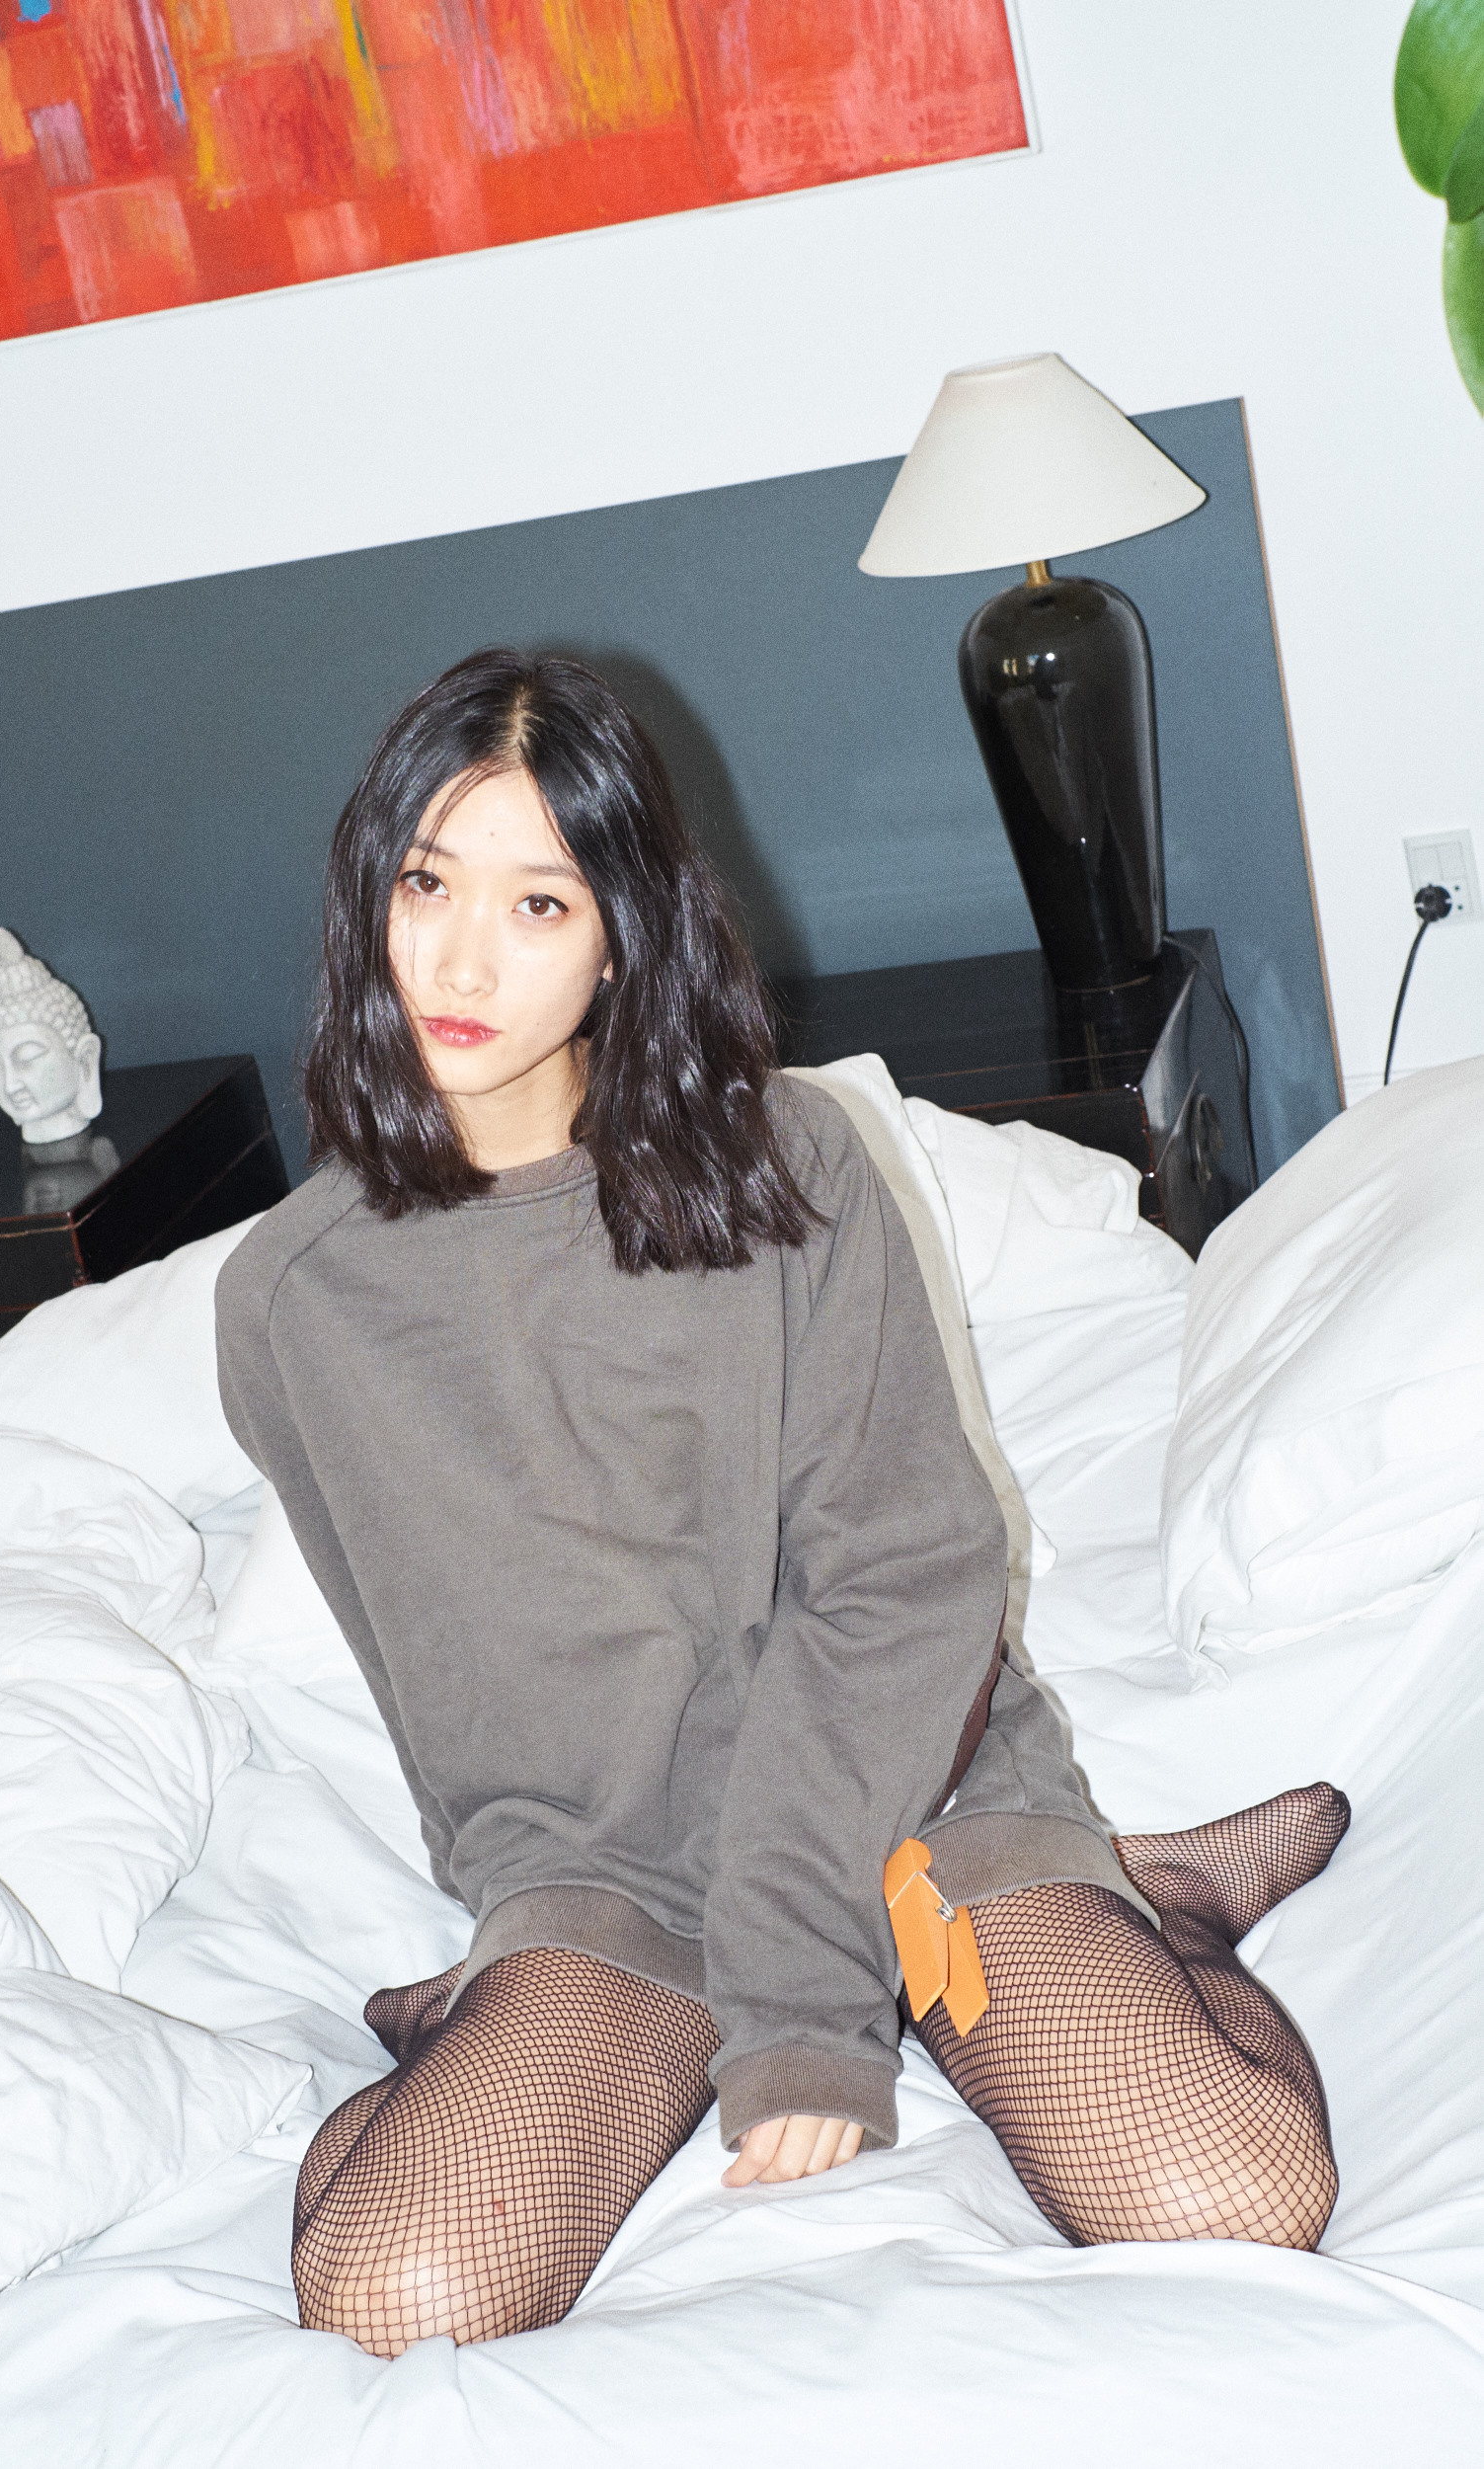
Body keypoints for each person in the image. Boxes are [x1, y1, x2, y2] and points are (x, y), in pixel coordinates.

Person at [215, 647, 1349, 2362]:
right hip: (611, 1870)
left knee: (1227, 2190)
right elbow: (429, 1669)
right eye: (427, 883)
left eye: (539, 904)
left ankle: (1151, 1898)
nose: (459, 960)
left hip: (905, 1792)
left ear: (622, 937)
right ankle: (474, 2021)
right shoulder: (289, 1303)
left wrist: (805, 1985)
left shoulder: (787, 1169)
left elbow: (904, 1577)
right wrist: (534, 1923)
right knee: (395, 2292)